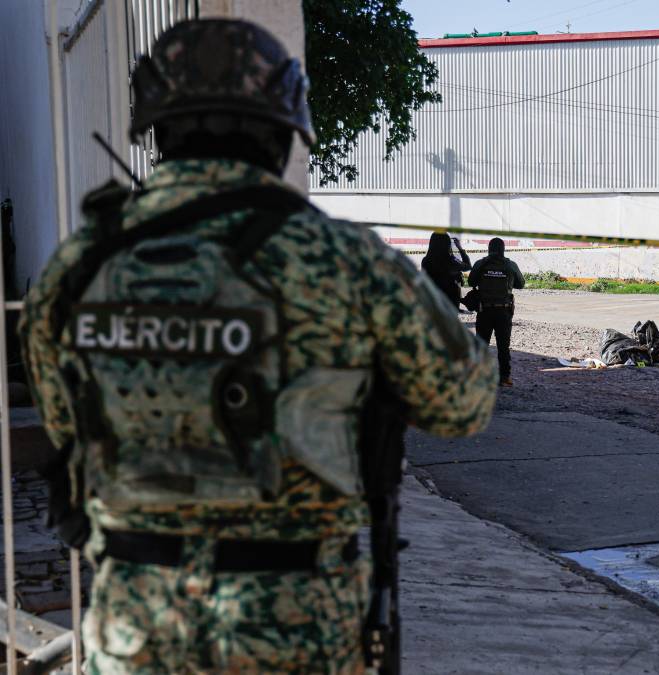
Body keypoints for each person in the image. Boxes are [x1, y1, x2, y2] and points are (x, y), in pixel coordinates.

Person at [18, 19, 496, 674]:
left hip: (134, 630)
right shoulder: (347, 260)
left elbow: (65, 424)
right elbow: (464, 403)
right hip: (299, 631)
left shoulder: (77, 268)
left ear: (159, 131)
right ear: (281, 133)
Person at [468, 237, 525, 387]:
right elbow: (521, 284)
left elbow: (471, 282)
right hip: (503, 311)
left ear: (489, 249)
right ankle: (504, 377)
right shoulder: (510, 265)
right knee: (503, 346)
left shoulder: (480, 263)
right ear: (503, 249)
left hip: (484, 310)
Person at [420, 232, 471, 310]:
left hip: (432, 302)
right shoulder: (451, 261)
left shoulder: (425, 261)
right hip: (450, 304)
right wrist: (460, 248)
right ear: (447, 244)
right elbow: (468, 266)